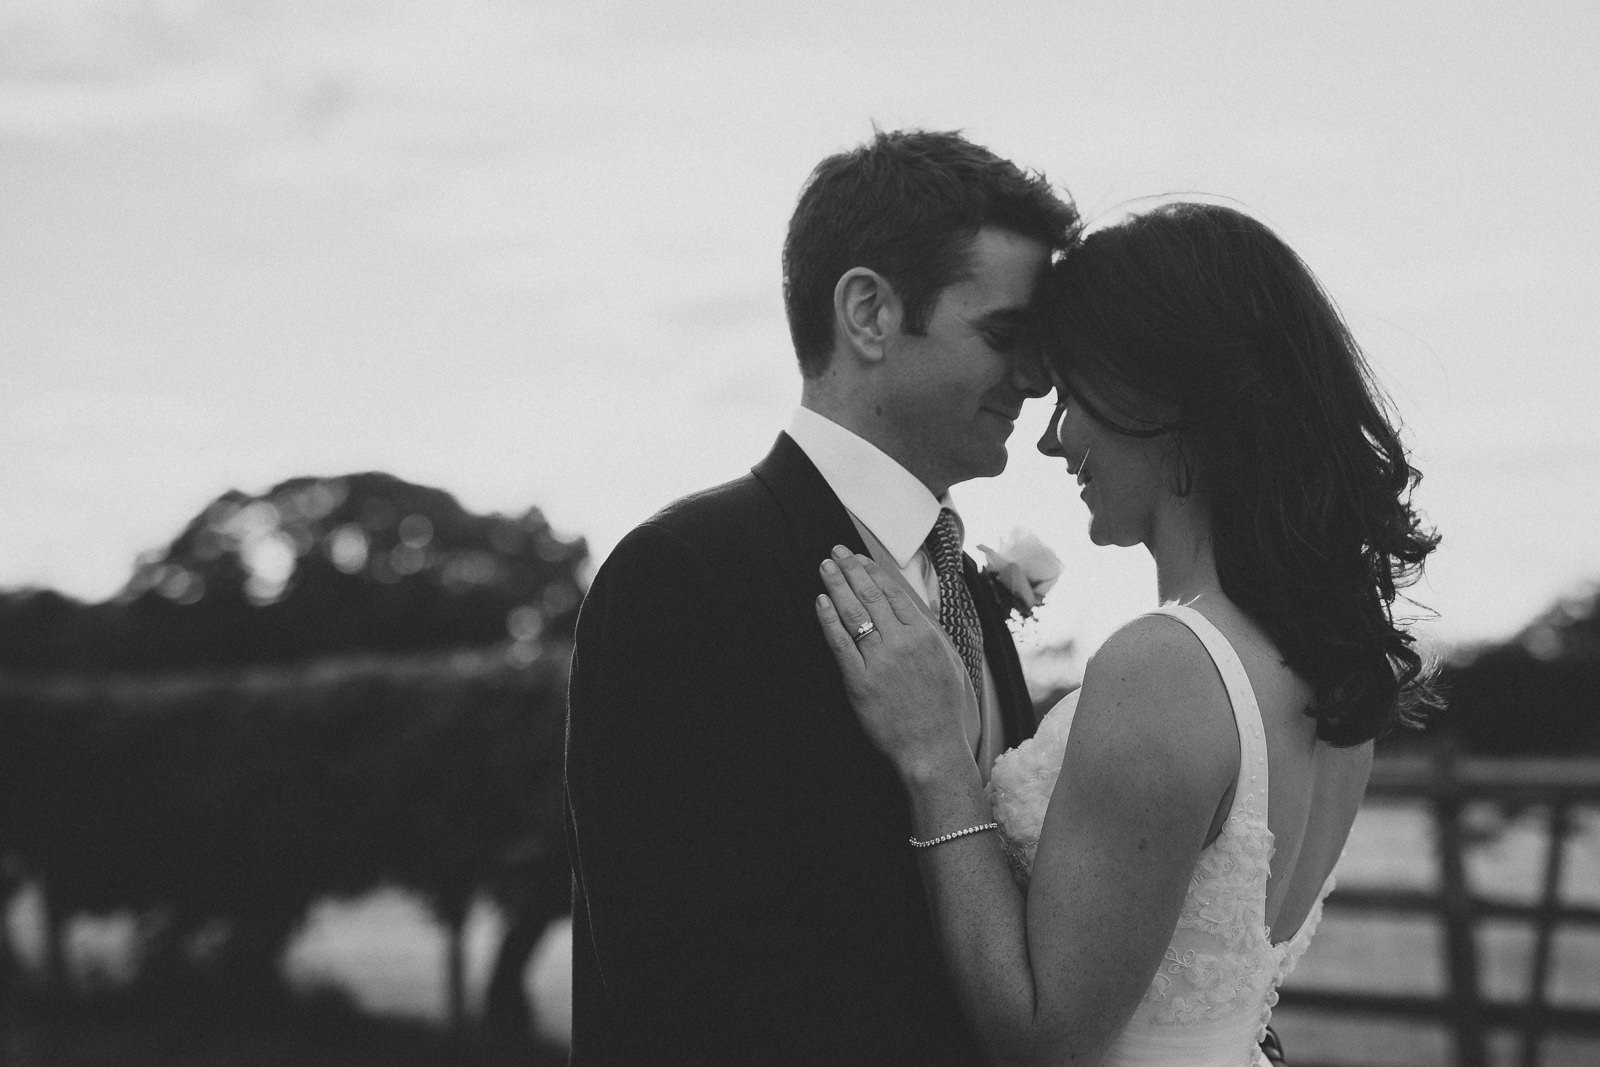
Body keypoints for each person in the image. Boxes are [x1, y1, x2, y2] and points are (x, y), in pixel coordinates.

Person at [815, 202, 1438, 1067]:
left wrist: (933, 753)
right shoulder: (1330, 673)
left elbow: (1043, 1035)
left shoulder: (1167, 665)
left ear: (1160, 398)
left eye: (1072, 397)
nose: (1051, 438)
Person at [563, 129, 1079, 1063]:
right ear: (870, 314)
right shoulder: (682, 574)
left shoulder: (968, 586)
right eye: (1005, 336)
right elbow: (676, 983)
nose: (1038, 378)